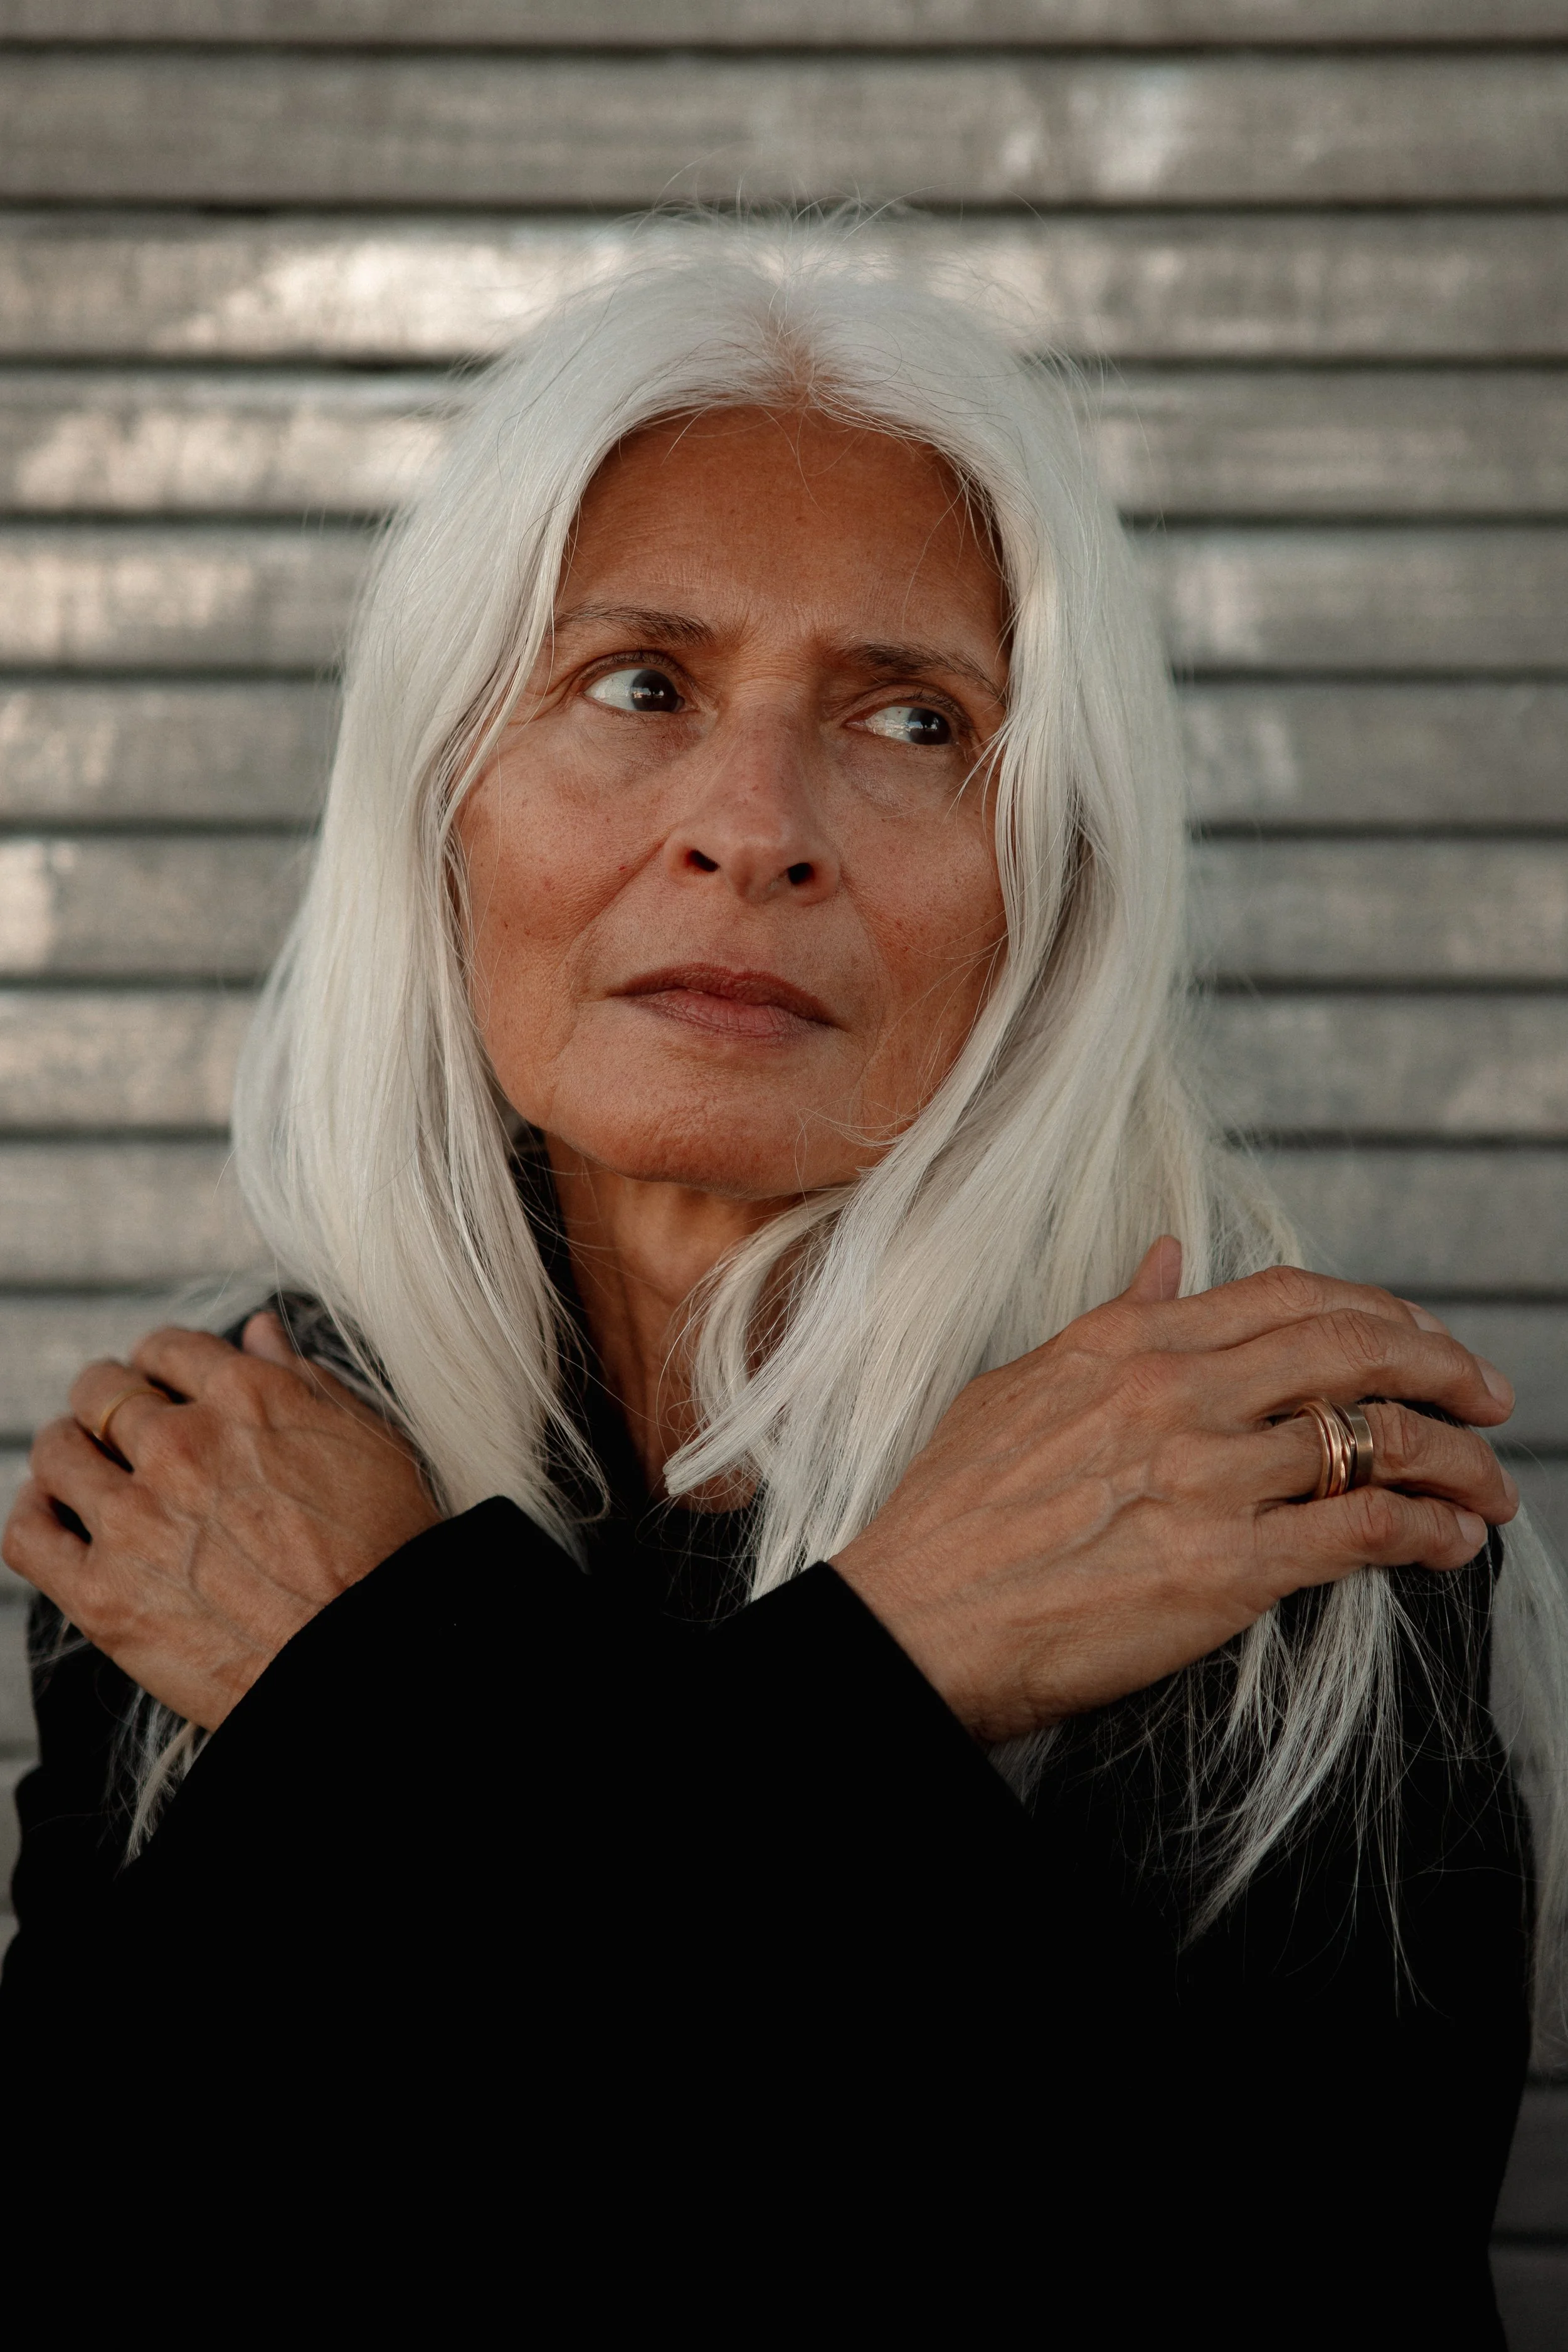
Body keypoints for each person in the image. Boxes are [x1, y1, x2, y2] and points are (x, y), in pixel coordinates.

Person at [3, 230, 1560, 2334]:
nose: (754, 828)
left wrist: (379, 1693)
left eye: (916, 720)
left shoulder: (1250, 1499)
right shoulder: (237, 1472)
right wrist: (898, 1665)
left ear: (1057, 876)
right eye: (635, 684)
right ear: (439, 791)